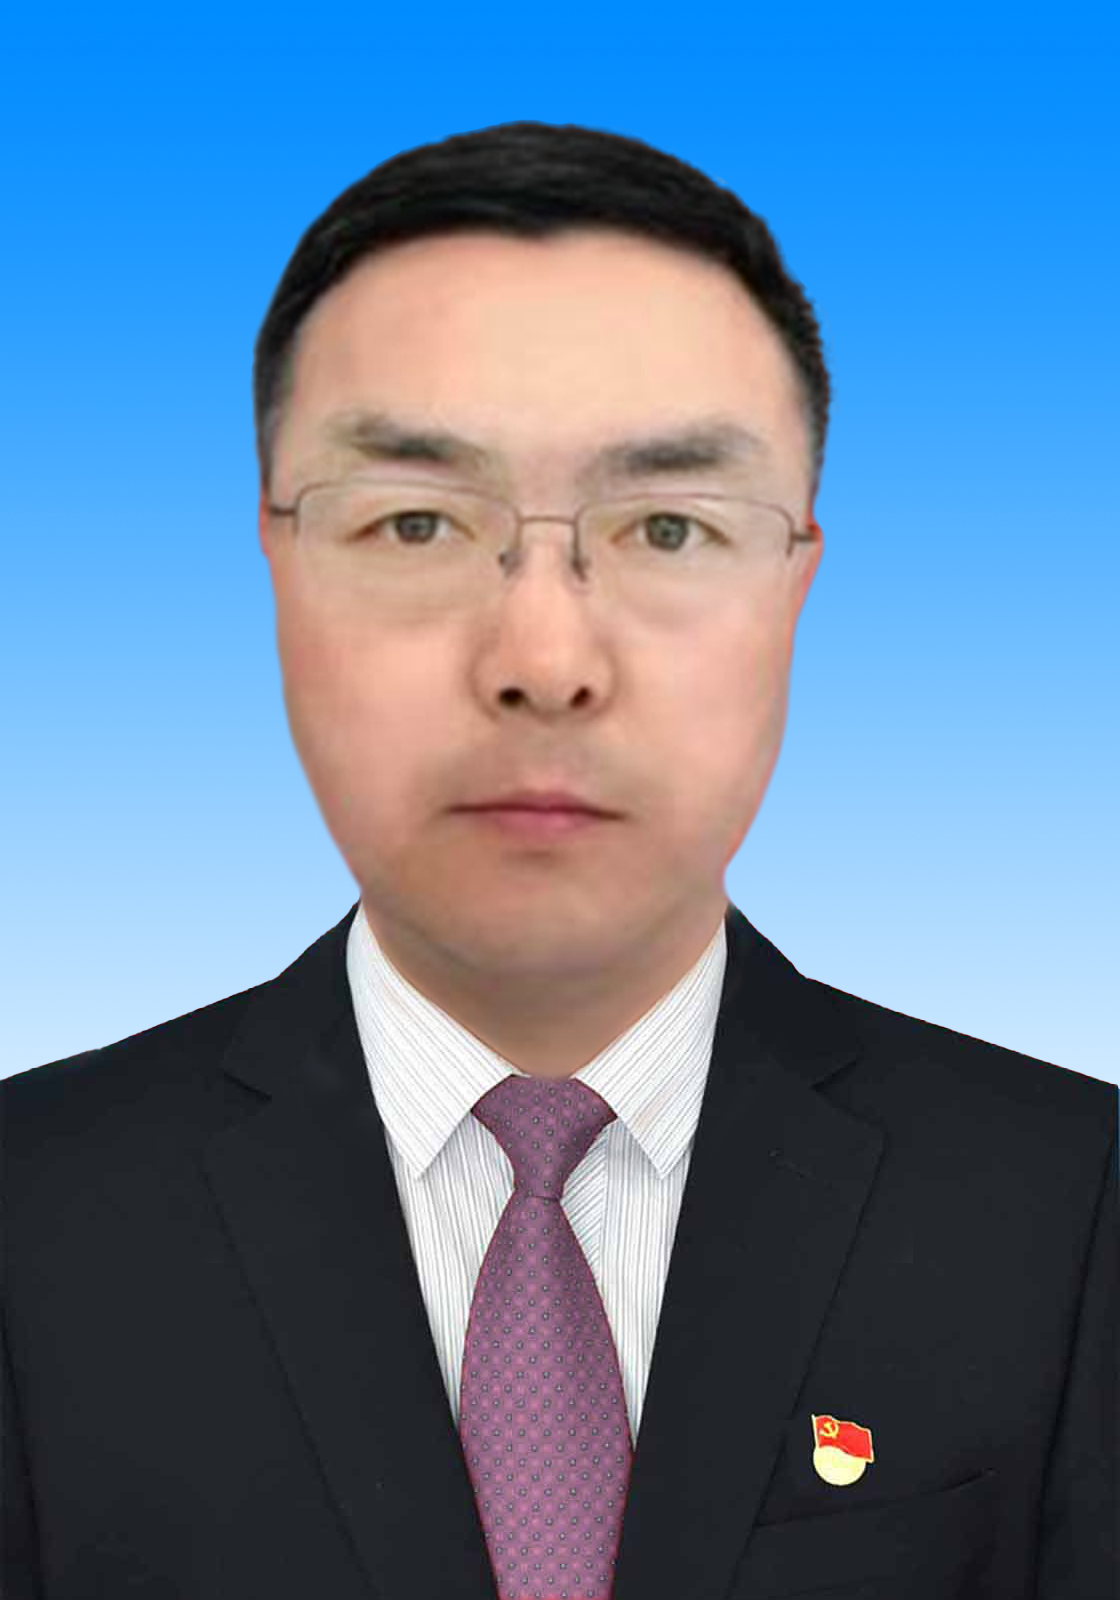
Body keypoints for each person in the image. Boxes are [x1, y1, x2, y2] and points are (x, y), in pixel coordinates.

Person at [1, 121, 1114, 1600]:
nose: (542, 660)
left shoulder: (1072, 1206)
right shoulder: (33, 1215)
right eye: (415, 520)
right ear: (275, 559)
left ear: (797, 581)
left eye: (668, 526)